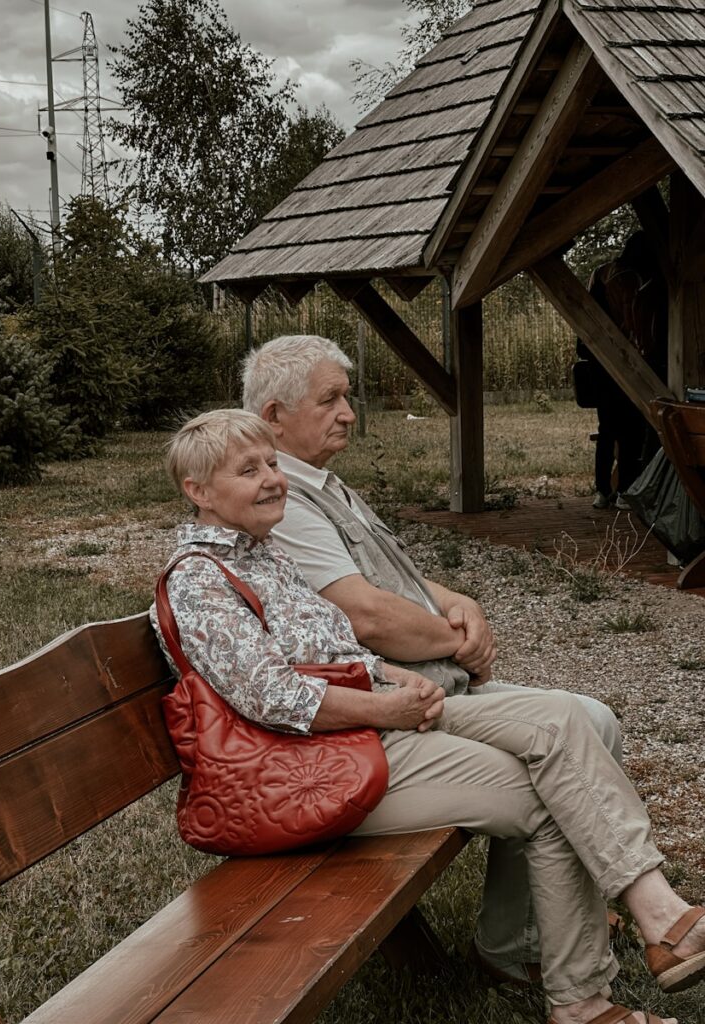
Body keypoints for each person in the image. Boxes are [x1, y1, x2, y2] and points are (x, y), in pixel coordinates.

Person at [151, 408, 705, 1024]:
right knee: (555, 795)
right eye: (247, 470)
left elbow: (330, 650)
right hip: (312, 770)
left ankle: (654, 909)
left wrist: (392, 676)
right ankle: (585, 999)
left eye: (273, 463)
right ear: (197, 492)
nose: (273, 478)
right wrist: (384, 703)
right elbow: (273, 698)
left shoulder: (263, 552)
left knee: (563, 720)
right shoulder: (200, 580)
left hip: (363, 730)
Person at [242, 332, 625, 986]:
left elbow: (404, 586)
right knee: (556, 758)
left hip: (435, 691)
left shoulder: (323, 485)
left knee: (596, 721)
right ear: (273, 416)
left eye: (347, 397)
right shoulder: (285, 504)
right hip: (391, 714)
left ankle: (525, 929)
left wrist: (461, 604)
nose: (349, 412)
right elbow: (365, 614)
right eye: (330, 399)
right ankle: (531, 945)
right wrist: (454, 642)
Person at [575, 231, 667, 510]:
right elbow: (642, 330)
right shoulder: (640, 280)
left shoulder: (601, 274)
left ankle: (603, 491)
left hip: (599, 363)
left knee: (607, 430)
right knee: (632, 430)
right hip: (629, 365)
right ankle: (626, 489)